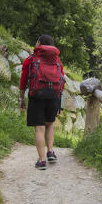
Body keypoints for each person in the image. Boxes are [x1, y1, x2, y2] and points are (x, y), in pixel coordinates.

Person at [19, 35, 65, 170]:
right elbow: (62, 80)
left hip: (37, 96)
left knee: (39, 128)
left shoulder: (31, 59)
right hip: (54, 96)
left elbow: (23, 80)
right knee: (50, 124)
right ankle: (50, 151)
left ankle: (42, 160)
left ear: (39, 44)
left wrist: (22, 98)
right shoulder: (57, 61)